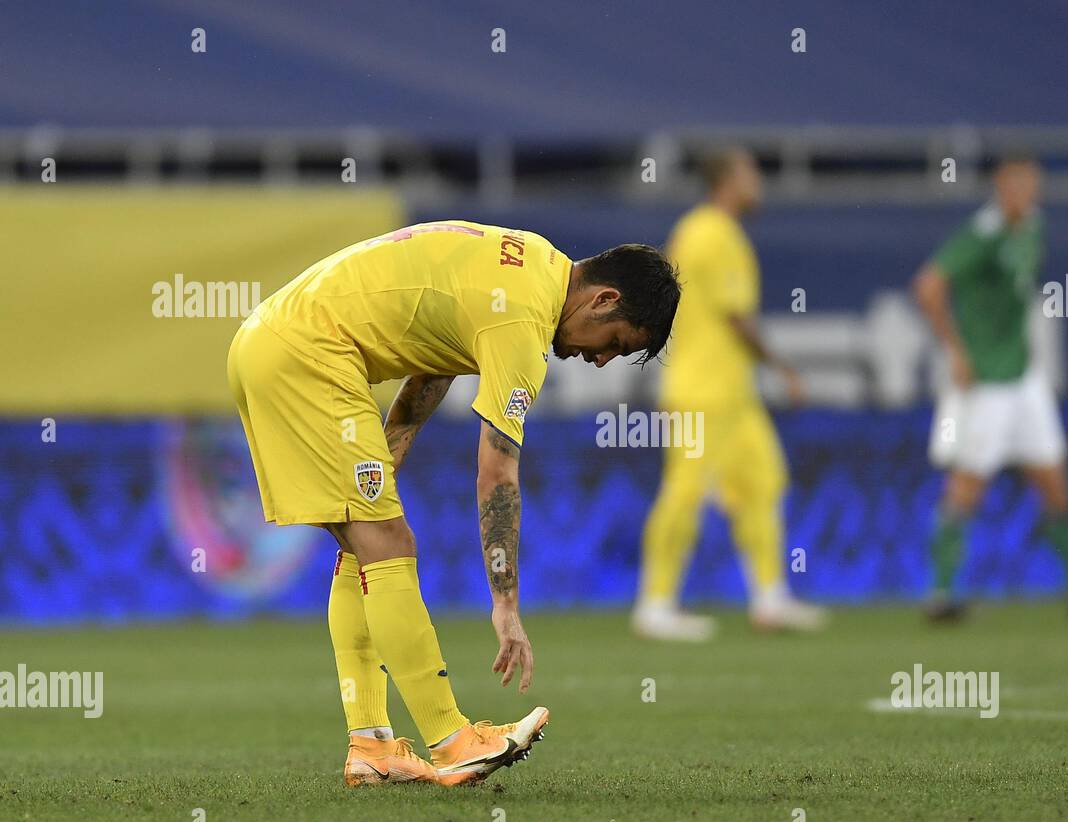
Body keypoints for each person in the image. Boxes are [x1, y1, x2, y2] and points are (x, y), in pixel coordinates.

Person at [227, 221, 680, 784]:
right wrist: (505, 602)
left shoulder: (534, 261)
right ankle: (452, 742)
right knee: (388, 542)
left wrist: (399, 436)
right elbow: (498, 473)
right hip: (308, 355)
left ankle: (372, 746)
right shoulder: (524, 323)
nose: (602, 361)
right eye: (614, 342)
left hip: (271, 343)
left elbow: (439, 340)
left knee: (360, 546)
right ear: (604, 299)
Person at [633, 149, 826, 641]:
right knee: (685, 491)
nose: (757, 182)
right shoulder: (714, 233)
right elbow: (736, 317)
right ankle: (655, 603)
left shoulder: (703, 229)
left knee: (762, 482)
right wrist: (784, 369)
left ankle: (769, 597)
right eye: (750, 173)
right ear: (728, 179)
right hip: (703, 391)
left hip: (732, 393)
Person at [912, 156, 1068, 621]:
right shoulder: (982, 234)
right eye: (1016, 184)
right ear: (999, 186)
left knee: (1055, 482)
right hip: (986, 382)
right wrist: (956, 351)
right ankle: (939, 596)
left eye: (1032, 184)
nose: (1026, 193)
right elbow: (928, 285)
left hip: (1024, 377)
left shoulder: (1033, 227)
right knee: (967, 486)